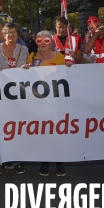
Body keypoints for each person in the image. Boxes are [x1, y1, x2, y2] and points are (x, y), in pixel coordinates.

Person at [0, 22, 28, 177]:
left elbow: (26, 72)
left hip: (16, 96)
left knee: (16, 129)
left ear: (18, 35)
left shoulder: (23, 50)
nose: (11, 35)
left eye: (14, 32)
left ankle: (15, 160)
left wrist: (25, 70)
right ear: (3, 34)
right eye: (8, 32)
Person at [25, 30, 68, 176]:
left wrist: (70, 68)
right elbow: (26, 77)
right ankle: (45, 161)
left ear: (51, 42)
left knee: (57, 132)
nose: (43, 43)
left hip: (56, 102)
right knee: (43, 133)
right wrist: (25, 69)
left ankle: (59, 162)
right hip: (39, 103)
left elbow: (66, 77)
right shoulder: (32, 57)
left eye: (46, 41)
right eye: (39, 41)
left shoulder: (60, 57)